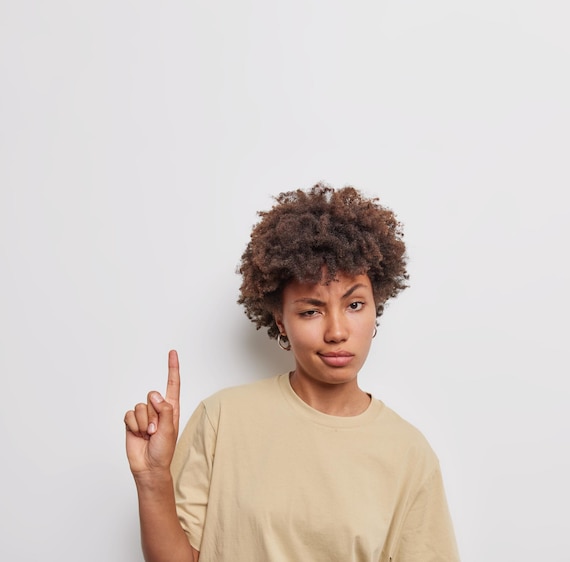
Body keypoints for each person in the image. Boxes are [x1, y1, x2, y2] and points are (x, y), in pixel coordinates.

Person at [124, 182, 460, 562]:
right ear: (280, 321)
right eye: (310, 311)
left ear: (375, 307)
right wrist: (152, 479)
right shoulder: (222, 419)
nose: (336, 332)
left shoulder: (409, 454)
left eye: (354, 304)